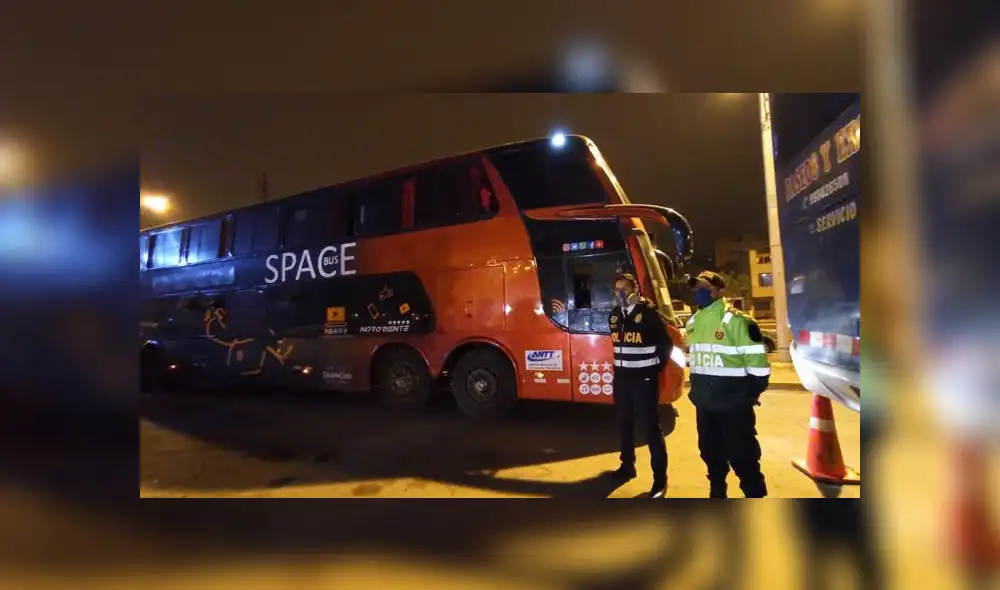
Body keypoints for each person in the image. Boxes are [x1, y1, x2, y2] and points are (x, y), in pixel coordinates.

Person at [685, 271, 769, 498]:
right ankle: (717, 492)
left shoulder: (738, 321)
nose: (699, 292)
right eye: (696, 288)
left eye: (705, 288)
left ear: (720, 291)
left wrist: (746, 396)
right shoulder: (693, 322)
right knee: (710, 454)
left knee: (743, 457)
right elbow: (693, 359)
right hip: (704, 403)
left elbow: (759, 368)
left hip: (733, 406)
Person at [607, 272, 673, 498]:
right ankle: (627, 467)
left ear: (634, 290)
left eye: (624, 289)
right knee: (623, 425)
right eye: (616, 290)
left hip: (644, 381)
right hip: (622, 380)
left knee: (650, 429)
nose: (620, 294)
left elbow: (665, 345)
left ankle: (660, 481)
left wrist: (652, 370)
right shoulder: (615, 315)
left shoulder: (648, 313)